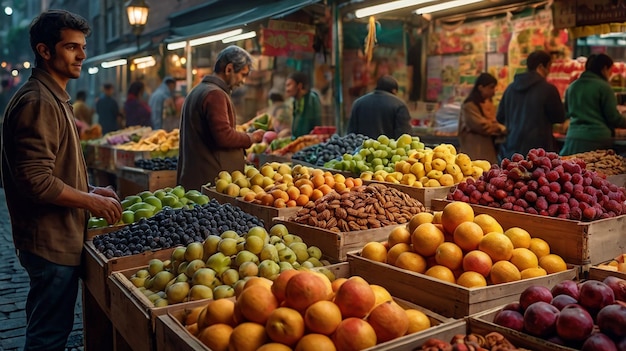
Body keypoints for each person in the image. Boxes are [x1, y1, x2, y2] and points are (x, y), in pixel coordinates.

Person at [0, 10, 122, 351]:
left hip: (57, 239)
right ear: (45, 50)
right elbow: (36, 180)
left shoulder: (52, 97)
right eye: (71, 47)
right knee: (48, 336)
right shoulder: (38, 101)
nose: (82, 55)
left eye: (82, 46)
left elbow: (52, 170)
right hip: (50, 243)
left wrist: (88, 189)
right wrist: (91, 201)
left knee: (50, 326)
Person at [177, 45, 264, 190]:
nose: (243, 81)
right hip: (210, 182)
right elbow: (223, 136)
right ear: (229, 69)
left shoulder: (198, 90)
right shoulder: (215, 94)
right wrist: (250, 138)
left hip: (199, 178)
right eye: (242, 75)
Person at [496, 50, 565, 160]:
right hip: (539, 153)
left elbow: (500, 117)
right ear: (541, 66)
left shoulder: (510, 89)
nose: (549, 71)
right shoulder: (548, 89)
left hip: (512, 149)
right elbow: (559, 117)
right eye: (549, 66)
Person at [560, 53, 626, 155]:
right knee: (594, 168)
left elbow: (566, 114)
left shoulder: (572, 87)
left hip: (573, 137)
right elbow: (613, 118)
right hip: (596, 139)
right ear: (604, 69)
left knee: (573, 169)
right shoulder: (604, 87)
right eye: (610, 70)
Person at [458, 73, 507, 164]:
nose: (493, 92)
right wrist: (499, 127)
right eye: (491, 87)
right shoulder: (469, 105)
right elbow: (481, 125)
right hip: (475, 150)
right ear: (480, 87)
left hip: (488, 150)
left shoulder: (488, 103)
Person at [346, 75, 412, 139]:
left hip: (362, 148)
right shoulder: (399, 105)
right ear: (394, 90)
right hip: (387, 149)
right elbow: (404, 135)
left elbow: (351, 133)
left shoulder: (359, 103)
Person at [285, 71, 321, 138]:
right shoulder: (295, 102)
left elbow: (317, 124)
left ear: (299, 86)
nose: (287, 89)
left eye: (289, 85)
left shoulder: (312, 99)